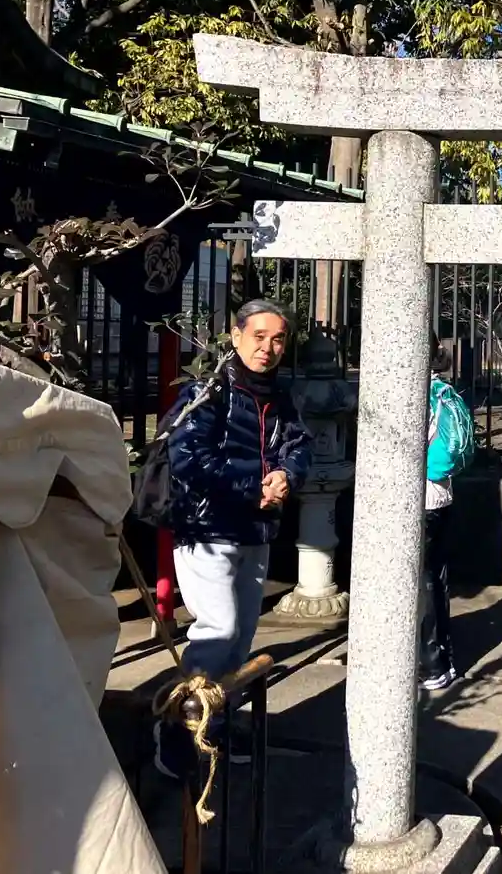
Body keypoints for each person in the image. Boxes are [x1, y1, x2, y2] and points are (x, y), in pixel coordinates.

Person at [154, 298, 309, 776]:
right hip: (208, 528)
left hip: (255, 531)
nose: (268, 348)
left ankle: (216, 725)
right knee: (216, 630)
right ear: (236, 336)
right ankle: (180, 732)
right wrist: (255, 485)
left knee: (240, 637)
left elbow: (299, 445)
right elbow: (187, 458)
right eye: (258, 337)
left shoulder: (280, 396)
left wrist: (287, 476)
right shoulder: (209, 391)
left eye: (278, 339)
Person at [420, 334, 473, 690]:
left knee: (421, 583)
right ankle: (445, 659)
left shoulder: (416, 395)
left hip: (420, 498)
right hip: (442, 495)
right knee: (436, 579)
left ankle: (430, 664)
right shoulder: (444, 391)